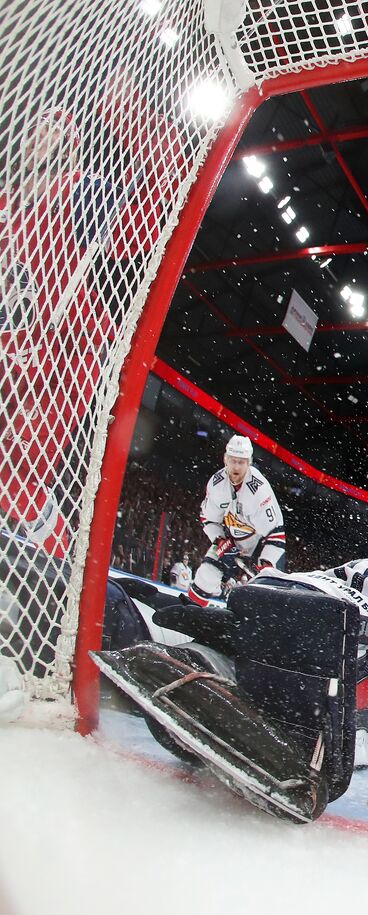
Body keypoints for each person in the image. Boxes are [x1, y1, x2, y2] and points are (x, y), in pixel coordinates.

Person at [90, 513, 368, 822]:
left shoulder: (363, 564)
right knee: (342, 730)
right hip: (340, 634)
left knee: (251, 660)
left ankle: (194, 658)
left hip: (270, 597)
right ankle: (286, 737)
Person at [2, 81, 185, 558]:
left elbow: (156, 202)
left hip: (61, 357)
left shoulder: (80, 195)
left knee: (20, 476)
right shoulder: (6, 208)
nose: (40, 137)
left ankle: (54, 573)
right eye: (37, 128)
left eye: (55, 130)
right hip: (15, 353)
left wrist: (123, 106)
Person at [188, 435, 286, 606]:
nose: (236, 467)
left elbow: (276, 535)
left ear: (249, 463)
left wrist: (265, 564)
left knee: (264, 594)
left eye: (241, 462)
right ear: (225, 459)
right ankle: (191, 611)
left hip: (258, 547)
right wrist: (221, 541)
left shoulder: (259, 491)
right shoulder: (217, 484)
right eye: (233, 461)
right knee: (206, 575)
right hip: (231, 538)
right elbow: (208, 519)